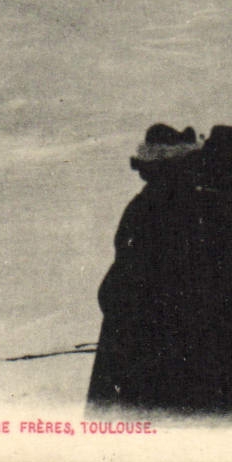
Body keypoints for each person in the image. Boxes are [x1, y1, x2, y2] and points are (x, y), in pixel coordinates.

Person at [87, 124, 204, 417]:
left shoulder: (146, 208)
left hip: (143, 344)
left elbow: (123, 281)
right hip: (159, 343)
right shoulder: (181, 207)